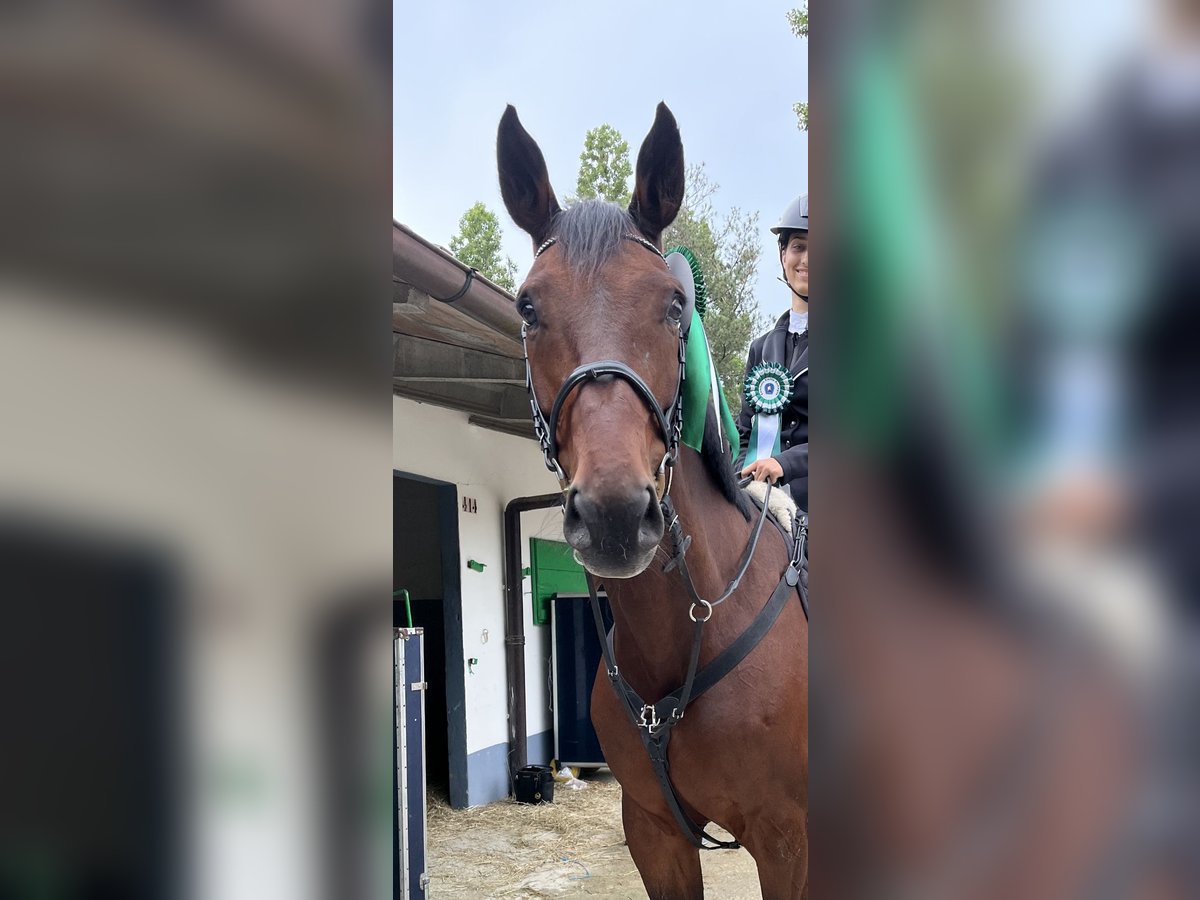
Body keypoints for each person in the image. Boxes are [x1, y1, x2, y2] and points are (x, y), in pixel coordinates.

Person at [736, 194, 809, 511]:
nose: (806, 259)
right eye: (798, 247)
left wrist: (784, 463)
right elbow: (744, 433)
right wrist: (740, 478)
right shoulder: (761, 347)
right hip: (761, 503)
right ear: (783, 255)